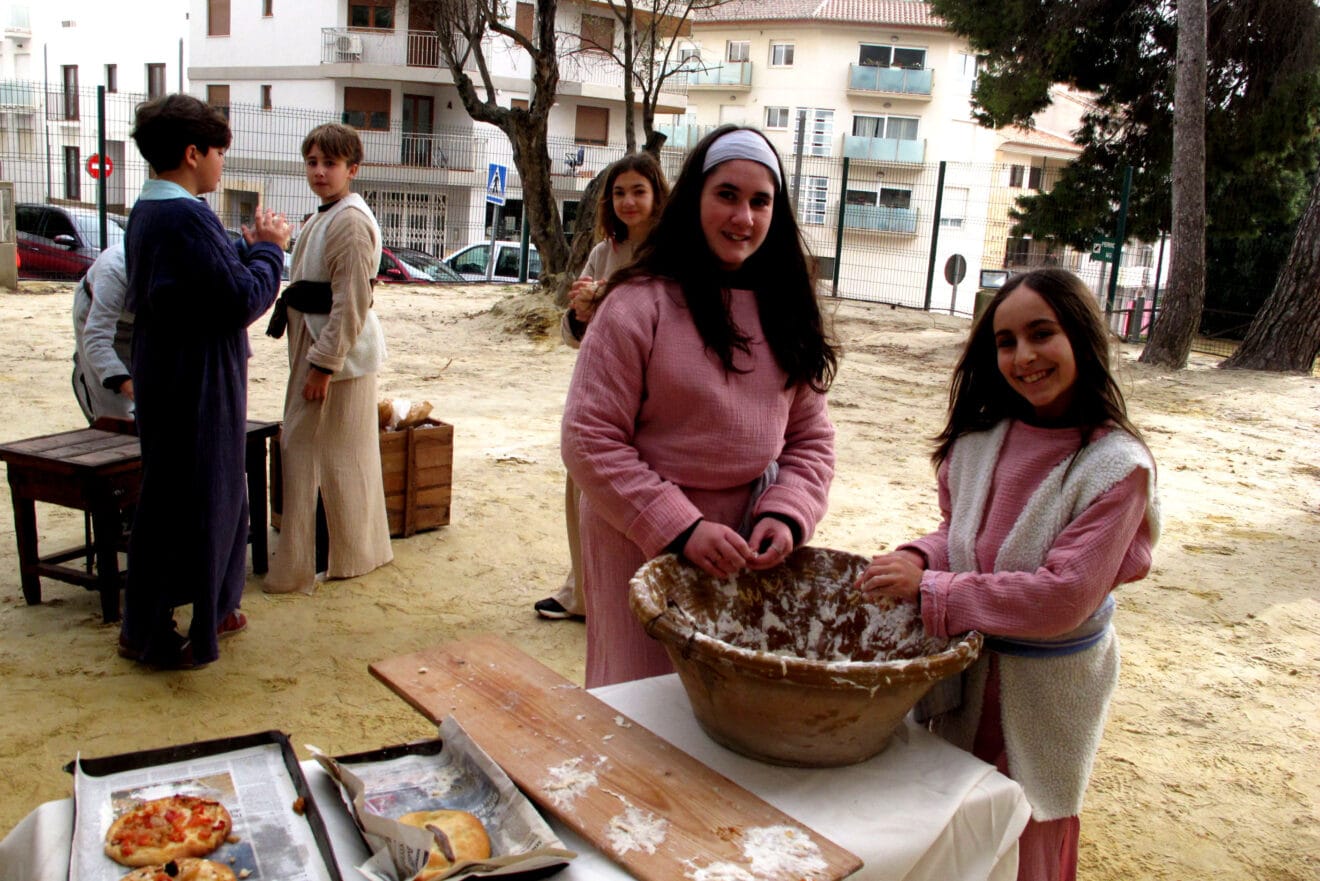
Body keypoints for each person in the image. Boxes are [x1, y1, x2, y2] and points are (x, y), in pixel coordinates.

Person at [854, 268, 1160, 881]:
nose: (1023, 357)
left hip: (1045, 690)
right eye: (1005, 341)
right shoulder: (980, 441)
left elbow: (1062, 597)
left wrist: (934, 590)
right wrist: (919, 557)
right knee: (958, 823)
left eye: (1041, 334)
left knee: (1026, 829)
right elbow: (959, 534)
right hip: (968, 671)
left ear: (1081, 337)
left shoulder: (1116, 468)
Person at [561, 125, 838, 687]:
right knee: (644, 706)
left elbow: (810, 440)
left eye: (761, 201)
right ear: (694, 201)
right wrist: (681, 530)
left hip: (744, 546)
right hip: (639, 540)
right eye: (727, 196)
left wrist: (785, 512)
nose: (744, 219)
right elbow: (589, 438)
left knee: (727, 709)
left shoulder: (786, 309)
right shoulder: (637, 303)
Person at [118, 94, 291, 669]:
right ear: (193, 153)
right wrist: (269, 252)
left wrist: (241, 249)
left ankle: (192, 612)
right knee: (200, 497)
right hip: (196, 379)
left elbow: (201, 282)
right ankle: (168, 625)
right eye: (219, 151)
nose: (222, 163)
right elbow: (239, 298)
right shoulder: (184, 215)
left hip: (168, 369)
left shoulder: (151, 210)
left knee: (187, 494)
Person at [535, 152, 669, 621]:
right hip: (601, 388)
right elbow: (574, 337)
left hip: (654, 392)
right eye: (618, 193)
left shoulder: (674, 255)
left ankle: (643, 596)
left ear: (657, 196)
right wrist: (579, 314)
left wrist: (611, 301)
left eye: (638, 191)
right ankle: (583, 592)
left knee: (640, 490)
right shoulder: (603, 252)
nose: (628, 202)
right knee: (583, 485)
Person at [262, 122, 392, 594]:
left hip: (337, 359)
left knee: (318, 451)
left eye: (330, 164)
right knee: (328, 451)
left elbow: (352, 301)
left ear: (352, 169)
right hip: (318, 346)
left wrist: (323, 365)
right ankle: (342, 552)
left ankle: (328, 557)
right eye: (313, 162)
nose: (319, 171)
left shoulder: (352, 221)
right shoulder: (327, 214)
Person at [71, 243, 134, 423]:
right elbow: (97, 339)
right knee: (115, 410)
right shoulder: (115, 268)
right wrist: (127, 385)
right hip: (95, 309)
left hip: (142, 320)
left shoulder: (199, 266)